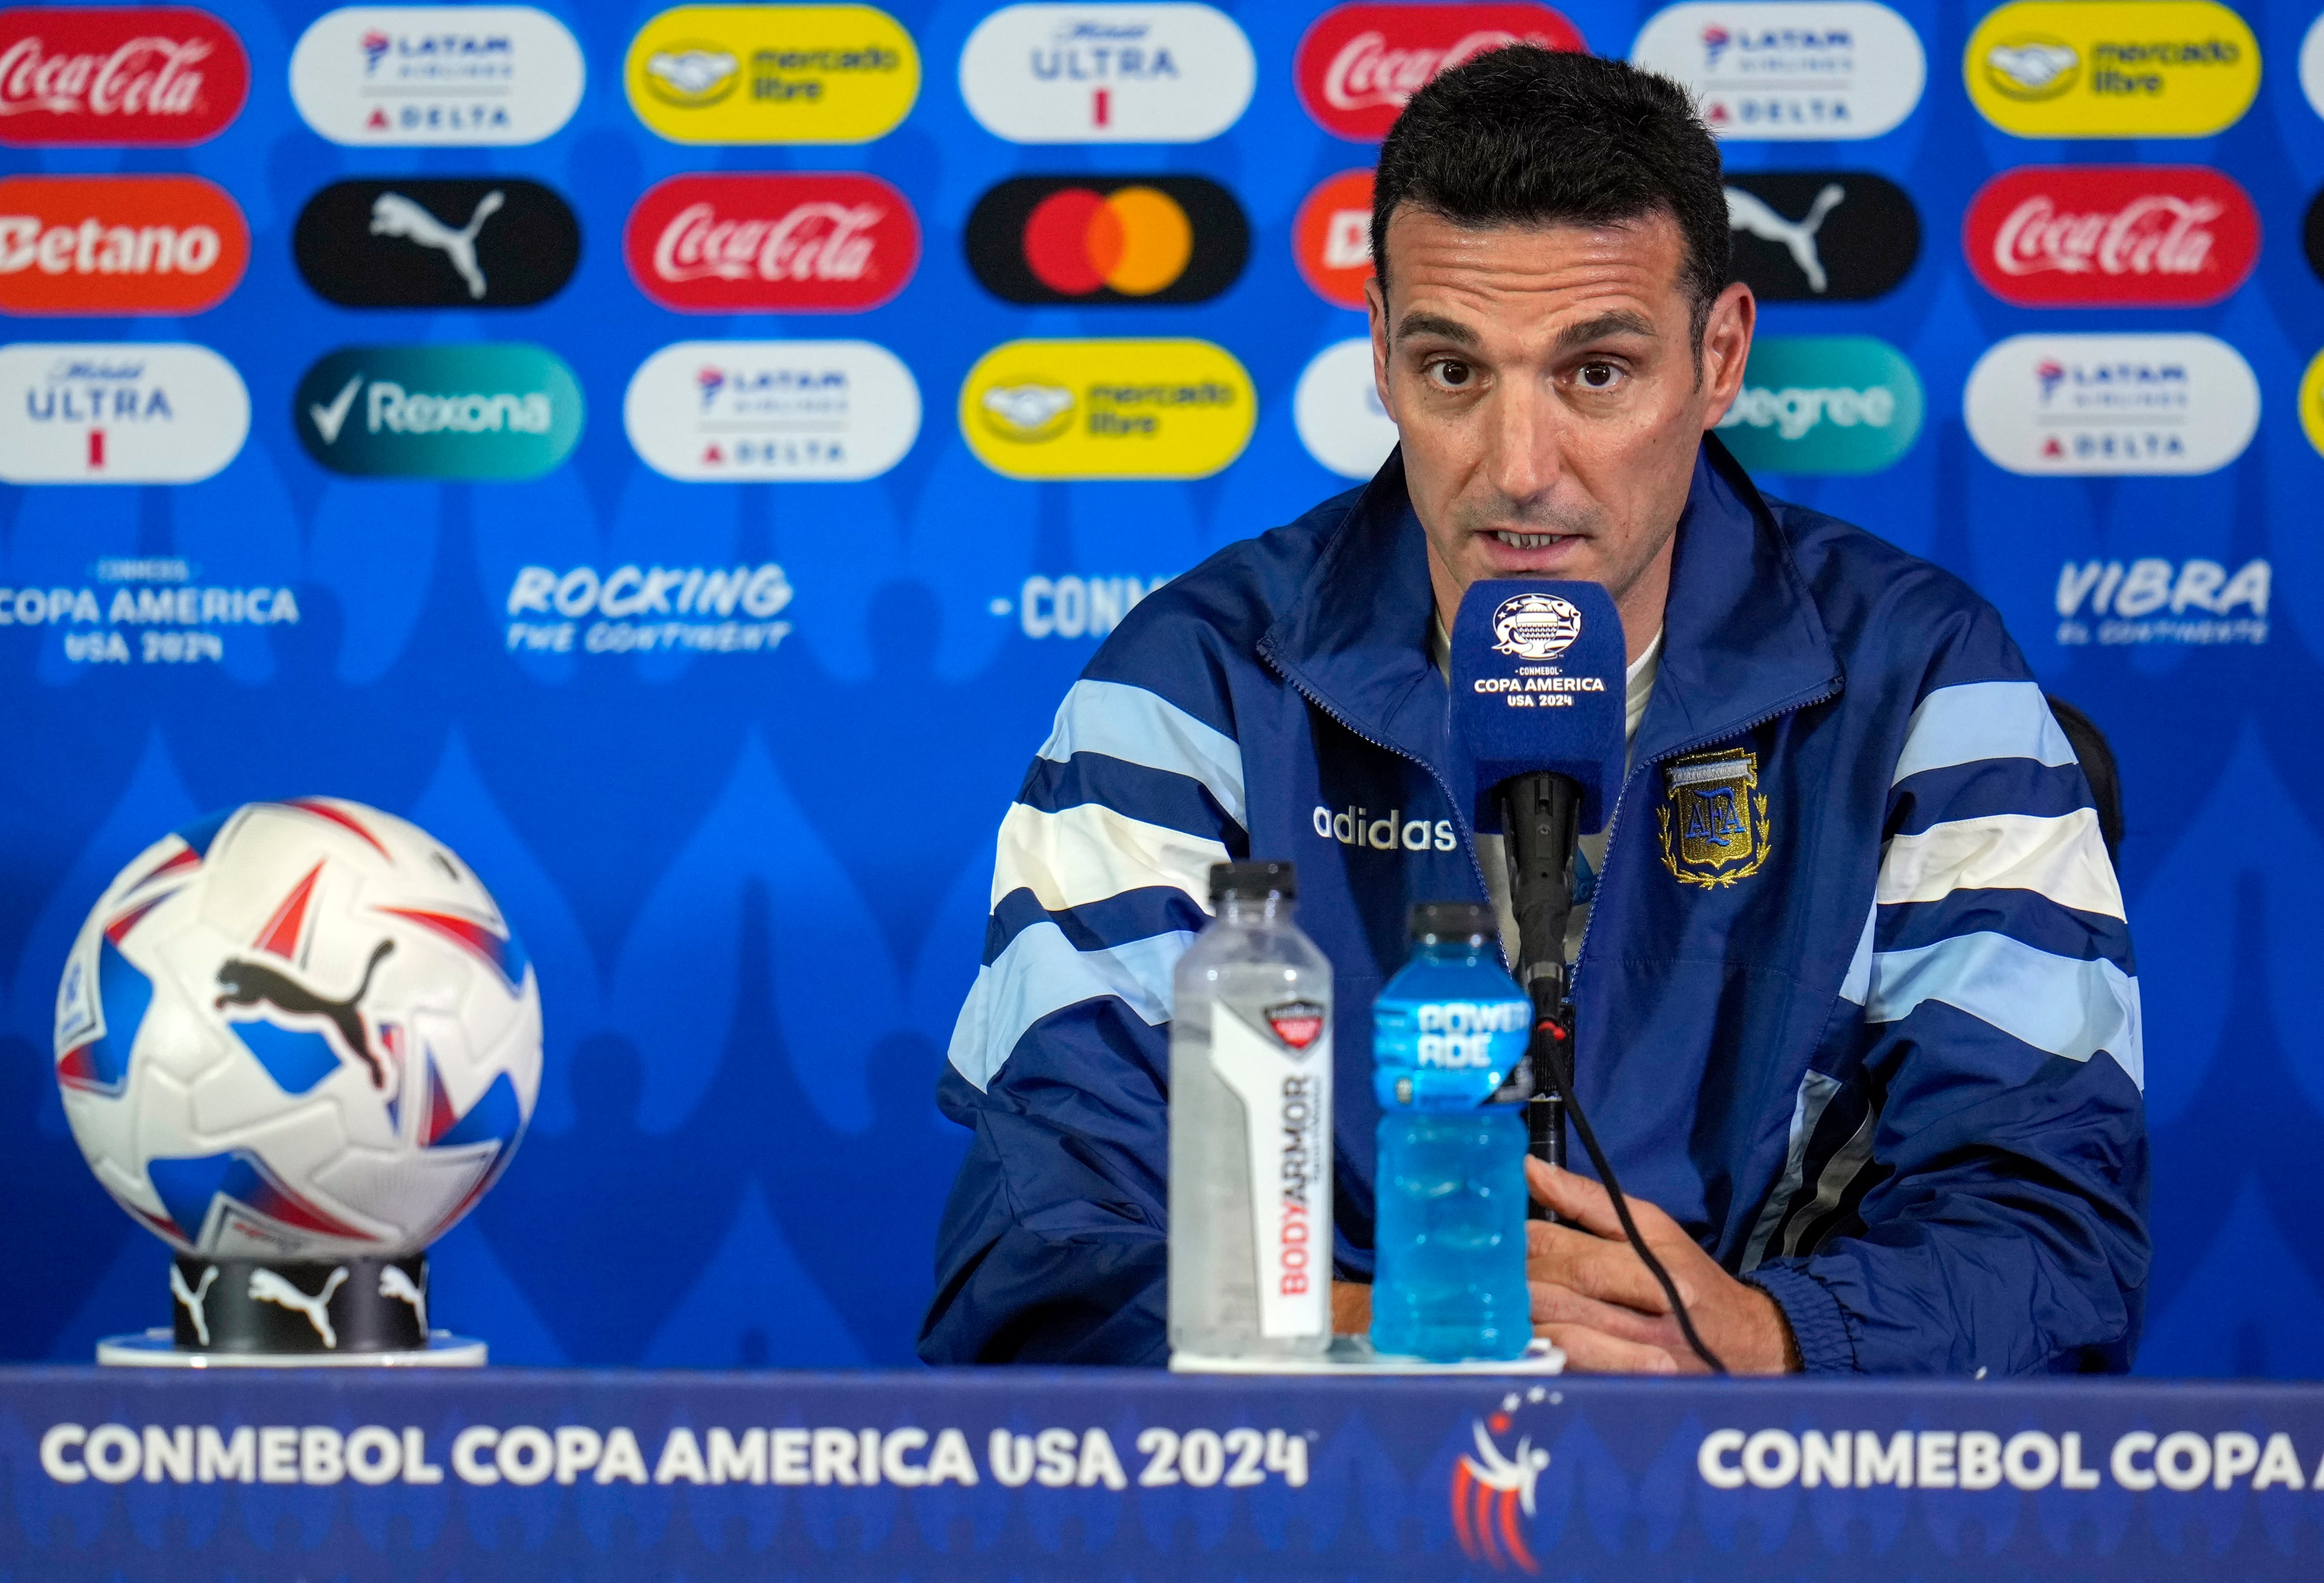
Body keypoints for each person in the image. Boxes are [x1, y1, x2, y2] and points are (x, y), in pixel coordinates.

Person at [919, 47, 2147, 1374]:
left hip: (1769, 1523)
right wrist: (1399, 1335)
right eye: (1455, 373)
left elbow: (2052, 1240)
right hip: (1325, 1519)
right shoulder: (1195, 688)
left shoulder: (1927, 682)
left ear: (1720, 355)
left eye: (1596, 375)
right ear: (1382, 355)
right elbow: (1034, 1254)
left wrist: (1767, 1338)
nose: (1519, 469)